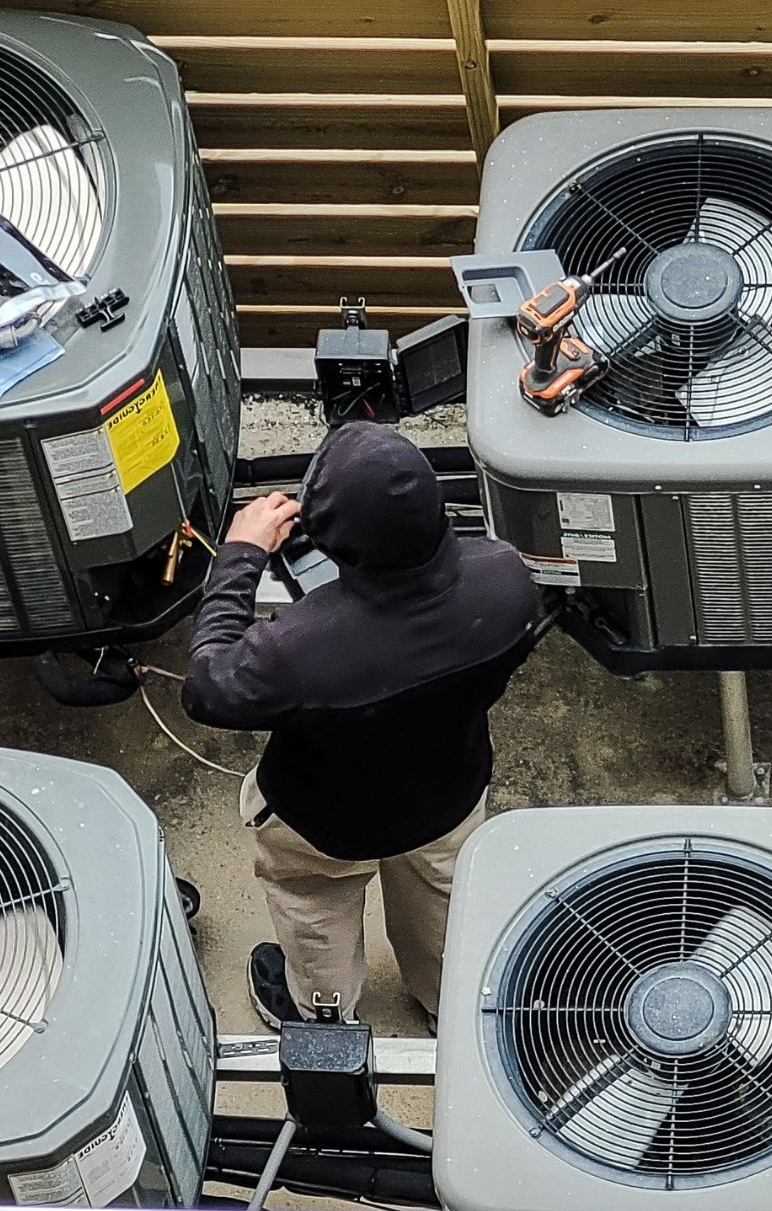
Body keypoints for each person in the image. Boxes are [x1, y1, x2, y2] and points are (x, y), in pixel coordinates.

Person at [183, 423, 541, 1030]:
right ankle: (443, 1004)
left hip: (323, 819)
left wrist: (241, 555)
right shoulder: (507, 580)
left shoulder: (294, 650)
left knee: (313, 904)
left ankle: (326, 1016)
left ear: (330, 544)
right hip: (447, 794)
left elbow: (208, 689)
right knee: (441, 900)